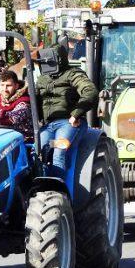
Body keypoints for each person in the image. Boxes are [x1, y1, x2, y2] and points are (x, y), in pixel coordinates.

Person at [35, 42, 97, 179]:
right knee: (39, 152)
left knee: (59, 151)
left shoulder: (73, 74)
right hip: (47, 125)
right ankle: (41, 186)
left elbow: (90, 91)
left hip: (69, 123)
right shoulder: (42, 79)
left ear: (58, 59)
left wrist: (76, 115)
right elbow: (32, 99)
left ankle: (58, 189)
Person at [0, 70, 33, 141]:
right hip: (1, 136)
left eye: (8, 86)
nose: (5, 89)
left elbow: (12, 119)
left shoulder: (24, 101)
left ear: (16, 86)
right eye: (2, 85)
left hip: (21, 139)